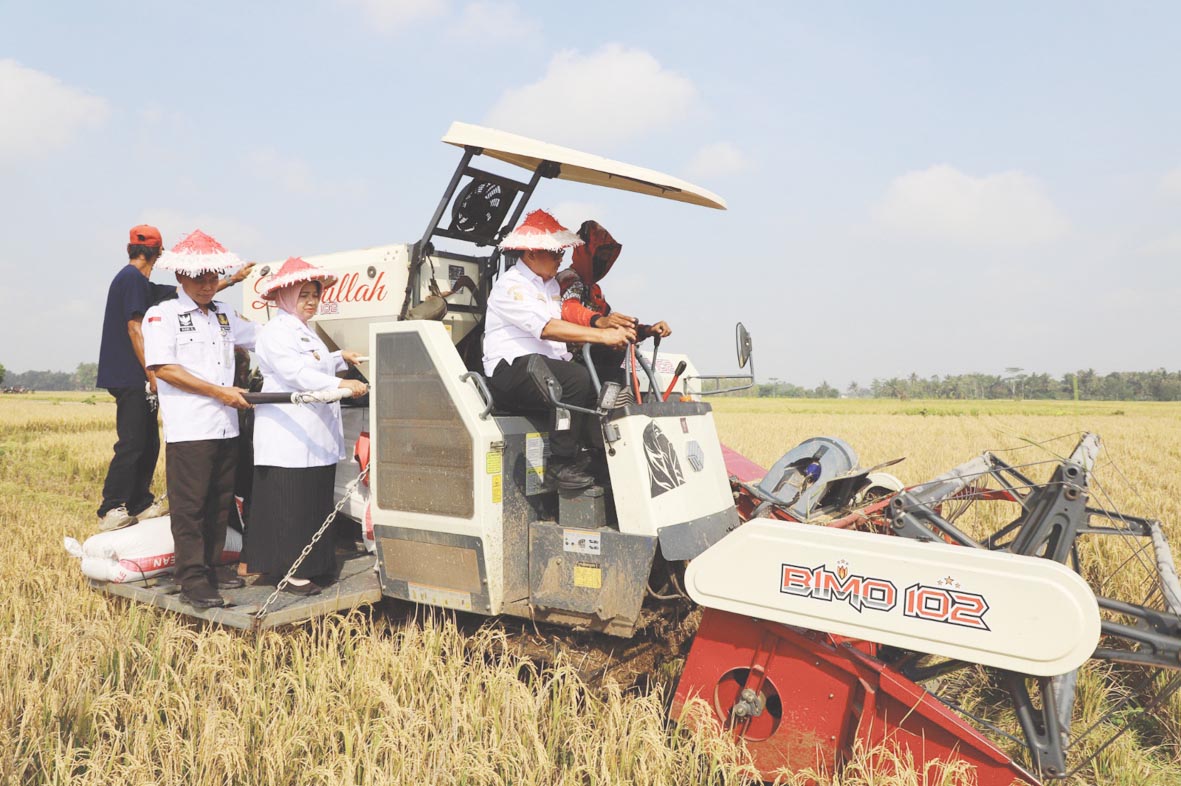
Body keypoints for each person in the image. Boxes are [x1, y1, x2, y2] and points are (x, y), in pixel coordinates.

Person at [96, 224, 253, 531]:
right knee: (132, 441)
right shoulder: (131, 279)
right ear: (159, 254)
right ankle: (111, 505)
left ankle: (139, 502)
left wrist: (232, 280)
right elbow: (134, 327)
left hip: (133, 372)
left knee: (148, 440)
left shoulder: (143, 283)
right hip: (131, 373)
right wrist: (152, 372)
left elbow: (195, 293)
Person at [143, 230, 257, 610]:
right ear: (181, 278)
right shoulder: (163, 315)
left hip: (225, 425)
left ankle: (210, 566)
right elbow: (165, 370)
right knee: (190, 507)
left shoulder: (224, 314)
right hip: (191, 428)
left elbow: (261, 337)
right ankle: (191, 579)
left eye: (213, 277)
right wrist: (220, 392)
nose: (208, 285)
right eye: (200, 278)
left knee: (219, 502)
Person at [483, 210, 634, 491]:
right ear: (530, 254)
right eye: (554, 253)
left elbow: (568, 319)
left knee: (607, 375)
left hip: (542, 366)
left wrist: (605, 326)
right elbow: (548, 328)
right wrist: (602, 335)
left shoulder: (551, 285)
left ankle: (597, 458)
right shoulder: (511, 286)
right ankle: (559, 465)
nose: (560, 258)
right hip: (510, 370)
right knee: (576, 379)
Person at [242, 257, 366, 596]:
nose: (311, 301)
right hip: (288, 434)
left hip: (313, 432)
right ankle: (290, 572)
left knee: (313, 500)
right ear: (285, 296)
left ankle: (315, 564)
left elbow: (315, 362)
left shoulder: (303, 330)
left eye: (315, 294)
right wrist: (342, 388)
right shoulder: (275, 332)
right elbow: (296, 373)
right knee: (289, 502)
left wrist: (341, 357)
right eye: (304, 295)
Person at [556, 220, 671, 388]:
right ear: (585, 253)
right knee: (621, 380)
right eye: (597, 258)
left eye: (605, 259)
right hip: (567, 363)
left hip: (590, 362)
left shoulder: (595, 291)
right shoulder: (568, 279)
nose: (601, 263)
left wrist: (648, 330)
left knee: (626, 380)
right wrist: (598, 321)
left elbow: (613, 323)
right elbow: (569, 309)